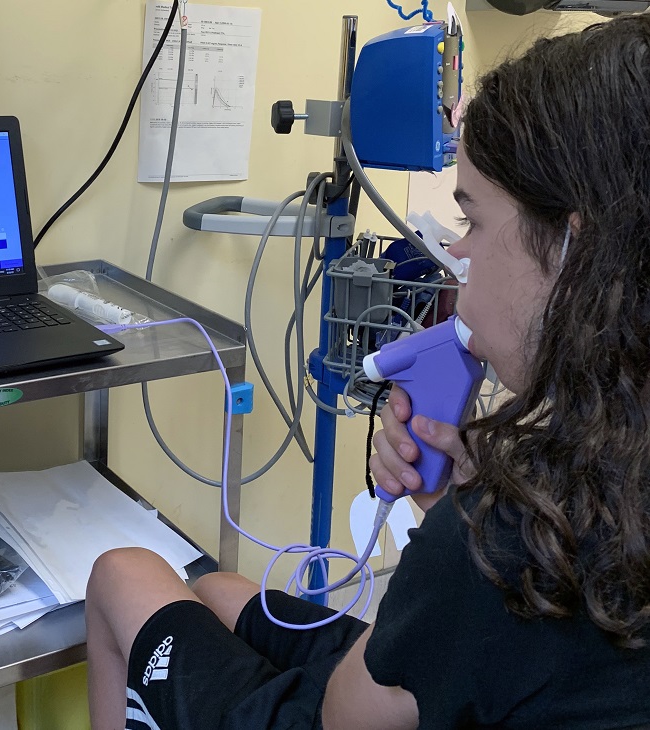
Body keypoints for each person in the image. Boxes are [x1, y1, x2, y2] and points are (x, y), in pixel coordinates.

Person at [85, 13, 650, 729]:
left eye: (471, 223)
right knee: (221, 593)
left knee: (124, 573)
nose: (460, 255)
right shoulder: (594, 486)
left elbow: (346, 714)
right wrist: (467, 500)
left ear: (574, 254)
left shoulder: (512, 538)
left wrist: (461, 523)